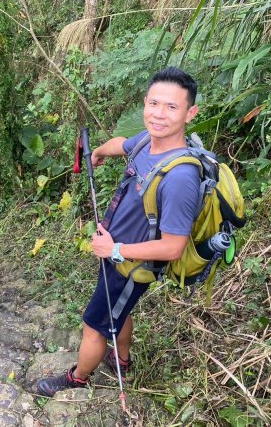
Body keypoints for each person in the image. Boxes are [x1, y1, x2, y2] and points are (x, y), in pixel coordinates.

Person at [36, 67, 201, 396]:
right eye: (154, 104)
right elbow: (120, 144)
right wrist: (96, 152)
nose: (159, 114)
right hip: (114, 253)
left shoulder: (181, 176)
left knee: (93, 326)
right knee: (118, 310)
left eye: (171, 107)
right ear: (144, 104)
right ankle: (121, 360)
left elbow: (172, 248)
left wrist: (115, 250)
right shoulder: (147, 142)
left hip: (131, 264)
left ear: (190, 113)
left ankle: (76, 379)